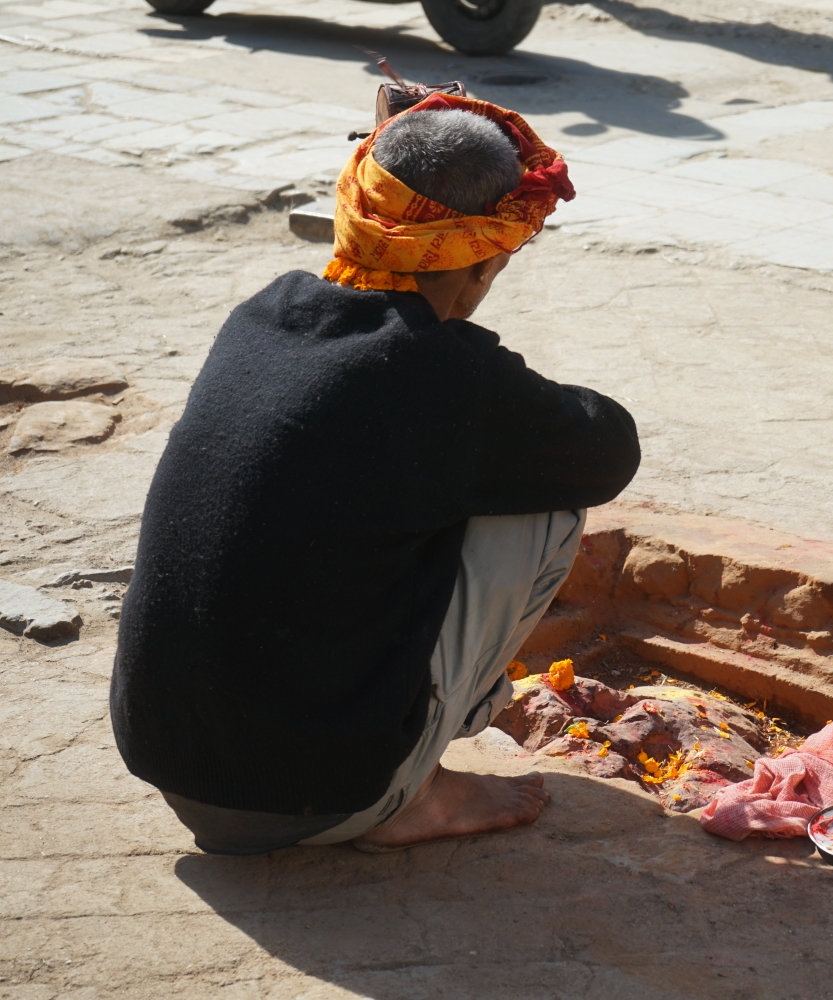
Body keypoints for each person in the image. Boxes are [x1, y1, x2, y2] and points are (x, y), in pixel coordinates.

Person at [110, 95, 640, 855]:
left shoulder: (261, 316)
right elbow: (608, 449)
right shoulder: (443, 374)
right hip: (324, 797)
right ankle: (413, 793)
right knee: (549, 503)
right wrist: (484, 377)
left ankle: (394, 752)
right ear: (485, 263)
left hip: (172, 763)